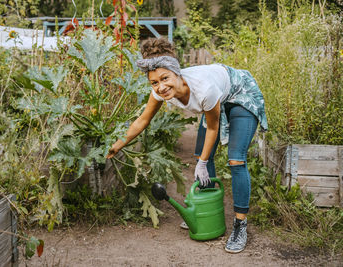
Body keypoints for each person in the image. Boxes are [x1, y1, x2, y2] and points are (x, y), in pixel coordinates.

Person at [107, 38, 268, 253]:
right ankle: (207, 209)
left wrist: (201, 163)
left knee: (236, 159)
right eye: (154, 82)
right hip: (217, 99)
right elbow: (142, 120)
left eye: (165, 78)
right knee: (203, 154)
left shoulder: (203, 90)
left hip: (240, 93)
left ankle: (240, 225)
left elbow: (213, 128)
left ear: (177, 73)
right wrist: (118, 144)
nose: (161, 87)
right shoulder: (159, 91)